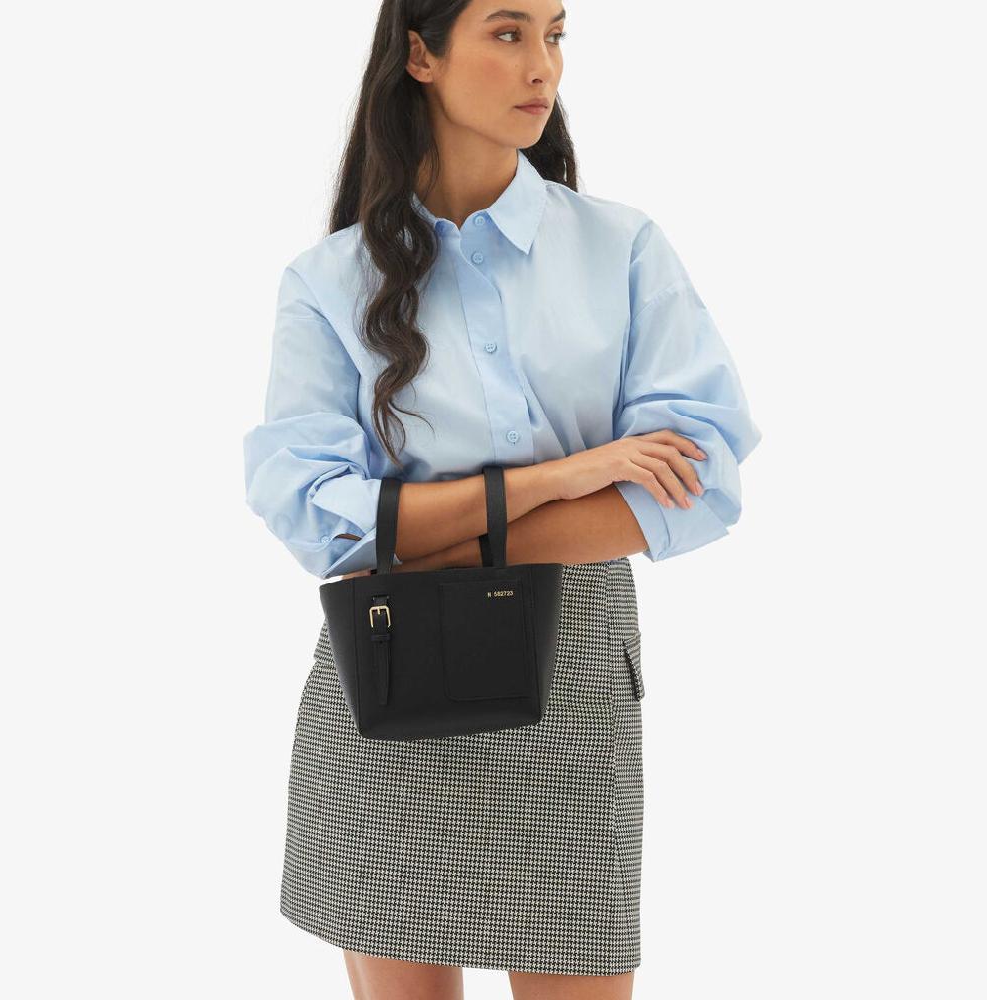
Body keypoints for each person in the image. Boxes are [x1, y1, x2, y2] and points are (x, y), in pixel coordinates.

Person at [242, 2, 762, 997]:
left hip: (571, 676)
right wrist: (562, 477)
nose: (542, 68)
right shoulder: (327, 281)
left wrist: (432, 535)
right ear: (421, 54)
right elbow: (316, 519)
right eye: (509, 33)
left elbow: (695, 485)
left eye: (555, 36)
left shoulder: (621, 247)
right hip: (386, 689)